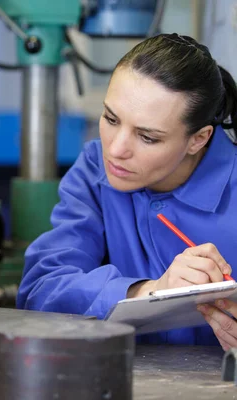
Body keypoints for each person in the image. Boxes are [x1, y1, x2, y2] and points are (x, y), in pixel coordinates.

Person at [17, 33, 237, 349]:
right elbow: (42, 289)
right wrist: (149, 292)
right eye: (110, 118)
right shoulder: (95, 170)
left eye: (147, 137)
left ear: (198, 139)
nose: (116, 150)